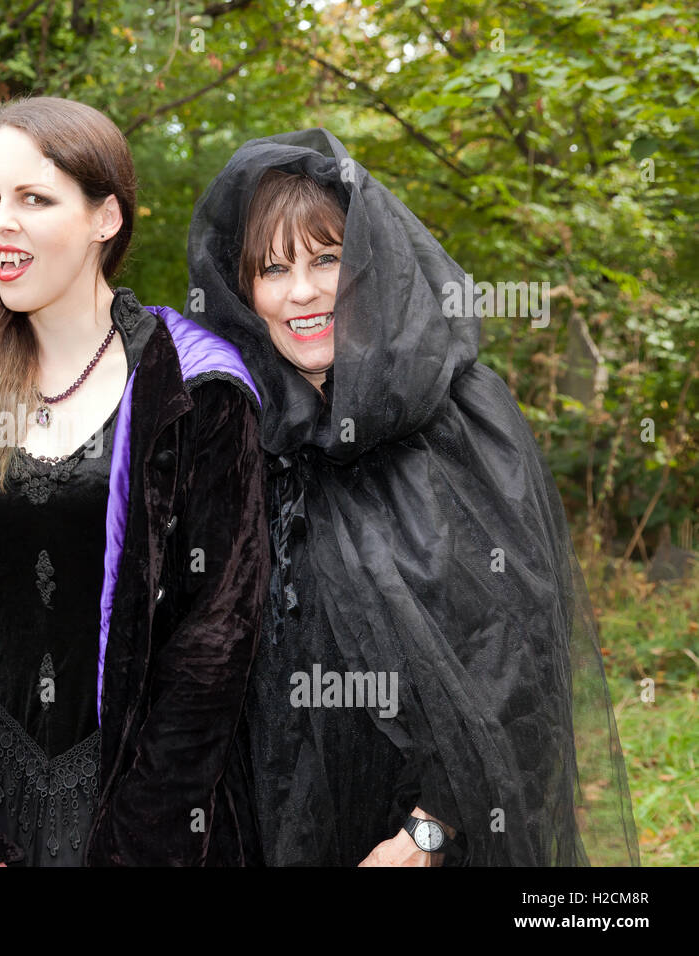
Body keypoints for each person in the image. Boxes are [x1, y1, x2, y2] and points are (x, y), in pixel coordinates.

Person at [184, 128, 639, 866]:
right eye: (273, 269)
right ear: (245, 295)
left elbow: (517, 665)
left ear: (371, 266)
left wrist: (427, 834)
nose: (301, 292)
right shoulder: (244, 436)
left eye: (326, 259)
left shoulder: (461, 420)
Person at [0, 96, 269, 866]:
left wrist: (136, 840)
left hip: (150, 804)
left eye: (34, 198)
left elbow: (220, 632)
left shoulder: (197, 386)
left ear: (105, 218)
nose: (0, 223)